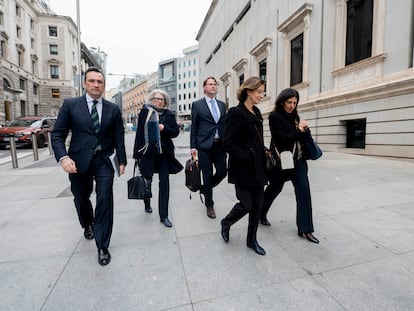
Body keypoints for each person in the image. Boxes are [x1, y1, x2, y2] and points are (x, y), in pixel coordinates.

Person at [51, 67, 127, 266]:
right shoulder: (70, 105)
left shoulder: (113, 109)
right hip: (78, 162)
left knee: (105, 200)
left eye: (99, 82)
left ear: (103, 85)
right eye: (92, 81)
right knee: (81, 197)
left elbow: (118, 136)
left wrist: (122, 161)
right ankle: (87, 223)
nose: (96, 85)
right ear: (85, 83)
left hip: (104, 161)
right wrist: (63, 158)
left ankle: (103, 245)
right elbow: (57, 135)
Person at [260, 88, 319, 244]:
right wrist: (299, 129)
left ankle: (305, 229)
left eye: (295, 102)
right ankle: (260, 213)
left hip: (298, 161)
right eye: (289, 102)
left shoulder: (295, 117)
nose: (292, 105)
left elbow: (300, 137)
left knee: (304, 193)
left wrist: (305, 130)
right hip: (282, 162)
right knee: (274, 189)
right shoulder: (274, 117)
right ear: (282, 101)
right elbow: (281, 140)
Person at [220, 77, 267, 255]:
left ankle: (251, 240)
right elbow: (227, 142)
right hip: (242, 168)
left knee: (257, 206)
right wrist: (247, 154)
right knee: (246, 204)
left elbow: (258, 139)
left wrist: (263, 150)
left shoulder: (257, 112)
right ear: (249, 91)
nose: (262, 95)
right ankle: (226, 222)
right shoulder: (235, 112)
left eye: (262, 92)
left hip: (259, 167)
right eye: (259, 91)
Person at [133, 89, 183, 228]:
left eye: (162, 99)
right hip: (147, 153)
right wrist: (137, 156)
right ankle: (147, 202)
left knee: (164, 184)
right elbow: (139, 135)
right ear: (151, 99)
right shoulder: (145, 112)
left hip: (164, 154)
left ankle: (164, 215)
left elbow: (175, 132)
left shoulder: (169, 114)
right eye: (156, 98)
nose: (159, 101)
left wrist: (164, 128)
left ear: (165, 101)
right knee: (147, 182)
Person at [190, 77, 227, 219]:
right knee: (206, 174)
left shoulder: (222, 105)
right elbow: (194, 126)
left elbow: (223, 125)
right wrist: (193, 147)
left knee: (223, 171)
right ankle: (209, 205)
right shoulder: (197, 105)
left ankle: (206, 189)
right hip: (204, 145)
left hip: (220, 145)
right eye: (210, 84)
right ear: (204, 88)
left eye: (214, 84)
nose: (213, 86)